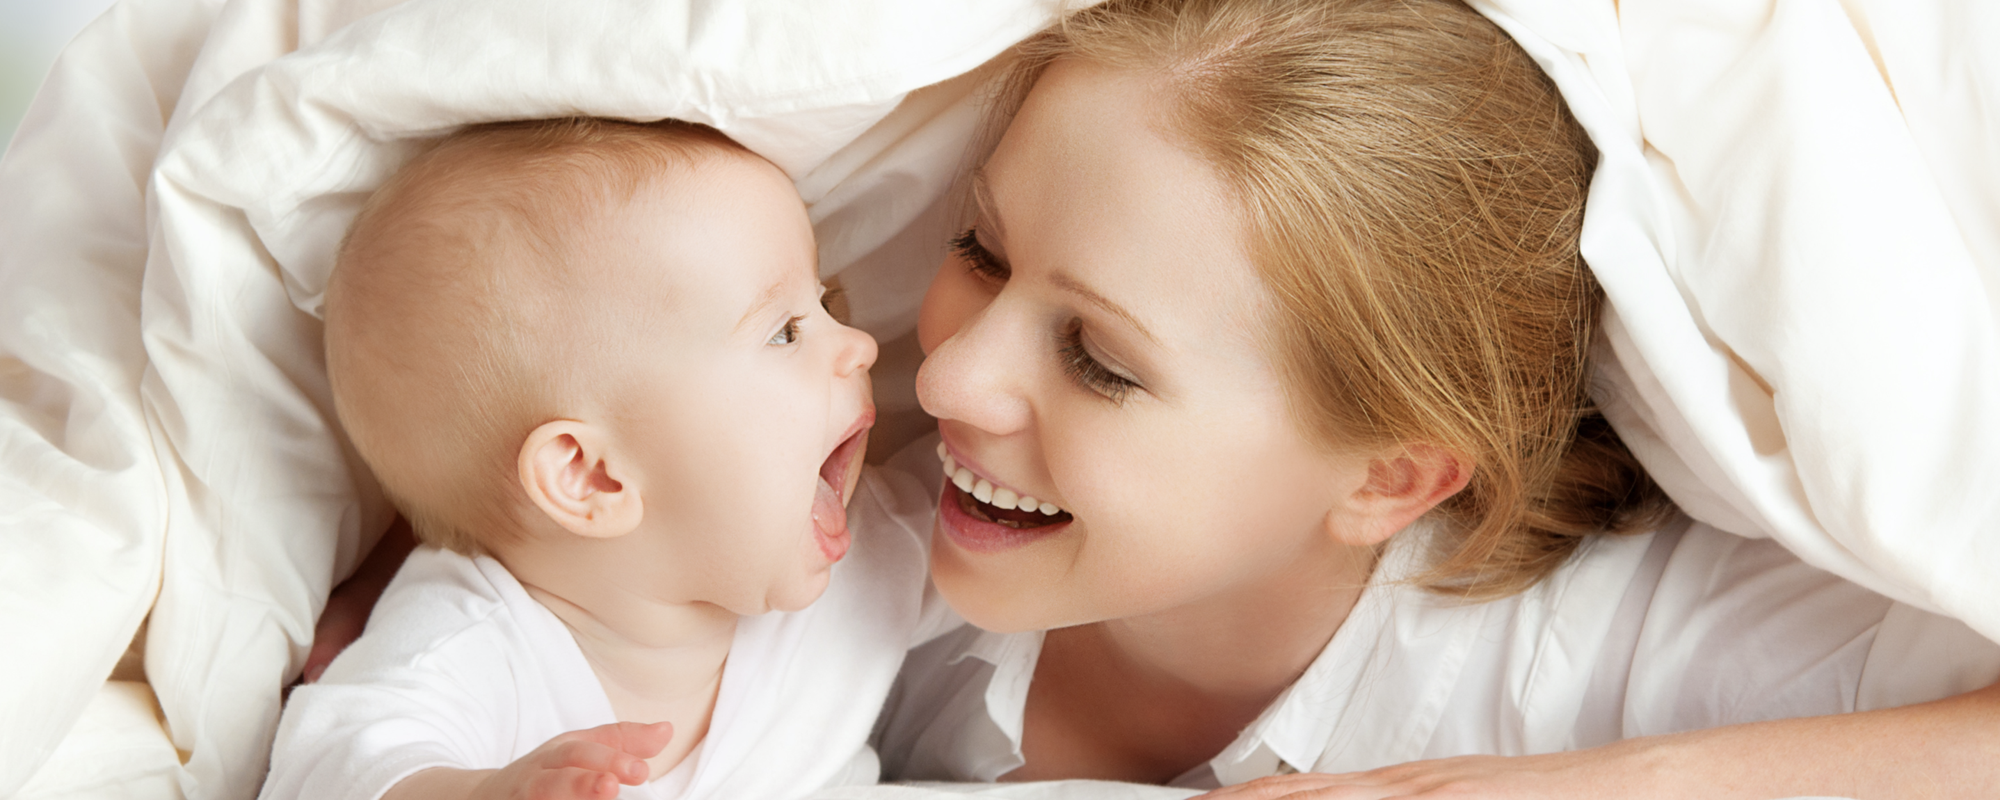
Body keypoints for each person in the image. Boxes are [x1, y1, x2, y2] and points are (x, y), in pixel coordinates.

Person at [869, 0, 2000, 797]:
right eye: (981, 251)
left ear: (1391, 476)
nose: (945, 378)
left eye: (1100, 362)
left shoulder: (1587, 646)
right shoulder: (862, 538)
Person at [264, 117, 944, 800]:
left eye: (826, 301)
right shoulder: (471, 643)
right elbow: (333, 768)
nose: (859, 344)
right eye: (784, 332)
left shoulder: (878, 553)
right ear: (593, 476)